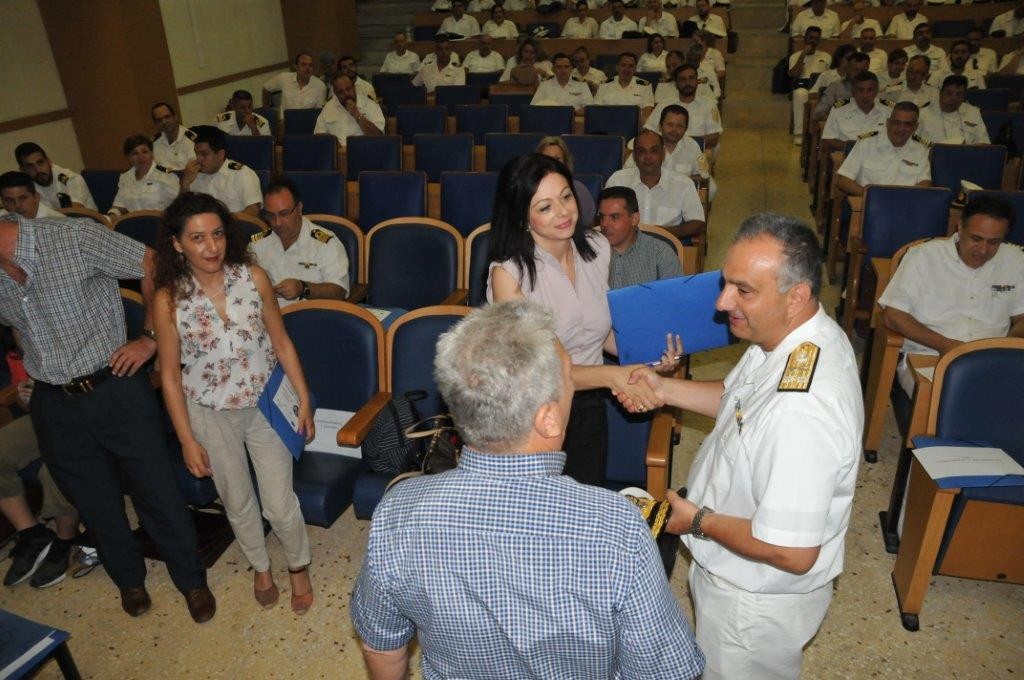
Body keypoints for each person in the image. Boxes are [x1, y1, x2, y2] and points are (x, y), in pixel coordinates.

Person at [350, 300, 705, 680]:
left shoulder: (399, 512)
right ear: (548, 419)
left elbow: (380, 644)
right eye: (569, 380)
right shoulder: (618, 528)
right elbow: (664, 670)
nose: (573, 386)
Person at [623, 213, 863, 680]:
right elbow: (740, 401)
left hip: (751, 603)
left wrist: (697, 521)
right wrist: (663, 389)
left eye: (743, 290)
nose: (722, 302)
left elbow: (792, 550)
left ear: (796, 296)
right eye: (726, 283)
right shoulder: (788, 339)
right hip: (736, 573)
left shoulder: (803, 411)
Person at [0, 211, 214, 622]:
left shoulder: (73, 237)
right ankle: (128, 580)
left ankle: (191, 580)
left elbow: (154, 264)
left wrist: (149, 338)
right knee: (94, 502)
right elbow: (17, 325)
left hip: (114, 385)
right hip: (54, 402)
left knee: (156, 491)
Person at [152, 192, 315, 615]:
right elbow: (169, 375)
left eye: (218, 234)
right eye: (198, 238)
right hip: (209, 413)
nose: (212, 247)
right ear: (177, 244)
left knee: (278, 502)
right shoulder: (168, 298)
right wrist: (187, 440)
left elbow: (281, 342)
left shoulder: (253, 277)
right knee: (237, 500)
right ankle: (260, 566)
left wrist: (303, 398)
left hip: (265, 405)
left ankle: (298, 565)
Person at [487, 154, 673, 486]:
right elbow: (547, 369)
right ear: (522, 216)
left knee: (586, 497)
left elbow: (596, 331)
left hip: (589, 403)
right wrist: (615, 376)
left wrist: (650, 355)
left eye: (566, 197)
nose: (563, 212)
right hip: (532, 412)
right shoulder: (509, 274)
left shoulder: (597, 248)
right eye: (545, 207)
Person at [879, 194, 1024, 396]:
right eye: (976, 239)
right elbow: (893, 315)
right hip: (931, 356)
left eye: (994, 242)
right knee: (964, 398)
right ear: (960, 228)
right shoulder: (924, 256)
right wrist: (946, 345)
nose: (983, 250)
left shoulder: (1015, 260)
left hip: (993, 359)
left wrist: (1007, 347)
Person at [0, 379, 80, 589]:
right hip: (47, 413)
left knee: (54, 468)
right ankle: (31, 534)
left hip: (88, 414)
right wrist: (27, 397)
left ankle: (67, 539)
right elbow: (25, 401)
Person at [249, 178, 349, 306]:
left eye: (284, 214)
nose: (277, 223)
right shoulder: (258, 243)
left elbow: (339, 291)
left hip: (311, 314)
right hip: (269, 314)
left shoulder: (325, 243)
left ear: (299, 208)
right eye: (271, 216)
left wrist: (304, 288)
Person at [608, 130, 706, 240]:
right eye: (641, 151)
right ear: (634, 156)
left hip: (665, 245)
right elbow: (602, 217)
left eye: (654, 151)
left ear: (663, 154)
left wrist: (661, 233)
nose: (648, 157)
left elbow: (698, 224)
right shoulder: (617, 180)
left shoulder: (683, 184)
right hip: (623, 245)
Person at [835, 102, 931, 196]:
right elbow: (844, 180)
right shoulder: (866, 144)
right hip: (868, 202)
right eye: (896, 123)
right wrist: (871, 197)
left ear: (915, 127)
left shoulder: (921, 151)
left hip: (904, 203)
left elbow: (924, 183)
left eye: (907, 124)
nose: (901, 128)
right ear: (888, 123)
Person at [599, 186, 682, 288]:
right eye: (602, 217)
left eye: (614, 217)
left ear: (634, 219)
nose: (605, 224)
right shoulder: (590, 251)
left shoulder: (661, 253)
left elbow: (673, 295)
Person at [627, 104, 715, 200]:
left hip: (679, 197)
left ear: (685, 129)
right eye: (670, 124)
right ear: (660, 126)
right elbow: (627, 172)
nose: (674, 130)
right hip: (645, 194)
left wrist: (679, 182)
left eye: (680, 126)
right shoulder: (645, 143)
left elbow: (704, 175)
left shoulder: (692, 146)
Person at [179, 126, 263, 216]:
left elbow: (253, 211)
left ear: (221, 154)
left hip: (234, 224)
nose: (198, 159)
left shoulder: (242, 174)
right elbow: (181, 212)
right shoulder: (193, 175)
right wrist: (185, 184)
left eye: (204, 154)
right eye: (196, 154)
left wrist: (224, 222)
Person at [645, 64, 723, 154]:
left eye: (691, 78)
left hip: (697, 152)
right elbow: (649, 131)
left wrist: (684, 145)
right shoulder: (664, 104)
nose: (687, 82)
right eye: (682, 79)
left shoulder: (709, 104)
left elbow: (714, 138)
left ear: (697, 81)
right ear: (676, 83)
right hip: (666, 152)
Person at [108, 135, 180, 217]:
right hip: (133, 222)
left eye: (145, 152)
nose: (141, 157)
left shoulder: (166, 176)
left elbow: (179, 206)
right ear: (128, 158)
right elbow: (119, 205)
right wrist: (111, 216)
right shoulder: (125, 178)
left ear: (152, 154)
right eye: (135, 153)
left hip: (160, 222)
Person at [821, 71, 892, 153]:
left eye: (870, 90)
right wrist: (852, 147)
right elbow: (827, 139)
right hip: (848, 156)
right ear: (853, 91)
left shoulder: (889, 109)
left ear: (876, 91)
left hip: (881, 155)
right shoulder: (839, 109)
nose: (865, 95)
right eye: (860, 90)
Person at [14, 143, 96, 211]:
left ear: (49, 161)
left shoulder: (70, 178)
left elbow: (75, 211)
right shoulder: (27, 188)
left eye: (40, 163)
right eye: (30, 167)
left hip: (88, 223)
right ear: (22, 170)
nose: (38, 170)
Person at [536, 136, 596, 225]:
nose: (552, 163)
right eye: (547, 159)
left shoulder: (579, 189)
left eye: (557, 159)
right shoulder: (532, 189)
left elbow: (589, 226)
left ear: (565, 161)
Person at [313, 73, 385, 147]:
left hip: (364, 151)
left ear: (354, 88)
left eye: (348, 89)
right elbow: (318, 137)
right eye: (341, 92)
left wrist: (357, 114)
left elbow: (379, 138)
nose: (346, 94)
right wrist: (332, 142)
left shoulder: (370, 106)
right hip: (337, 152)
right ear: (336, 94)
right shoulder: (328, 108)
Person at [789, 27, 832, 144]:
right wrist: (803, 54)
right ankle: (799, 133)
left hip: (821, 88)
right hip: (803, 86)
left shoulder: (826, 56)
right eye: (811, 37)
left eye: (816, 38)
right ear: (805, 38)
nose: (813, 41)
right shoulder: (795, 56)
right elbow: (794, 75)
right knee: (799, 94)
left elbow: (831, 75)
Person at [917, 76, 989, 145]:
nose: (953, 98)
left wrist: (968, 149)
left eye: (959, 94)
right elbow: (916, 139)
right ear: (941, 93)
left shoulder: (973, 112)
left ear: (964, 96)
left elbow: (983, 141)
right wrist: (934, 147)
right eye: (949, 93)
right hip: (932, 152)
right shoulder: (923, 114)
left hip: (967, 152)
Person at [812, 52, 871, 122]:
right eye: (856, 70)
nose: (859, 74)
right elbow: (818, 113)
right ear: (848, 69)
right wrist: (838, 122)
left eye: (863, 71)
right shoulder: (836, 87)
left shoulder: (875, 87)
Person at [262, 52, 328, 114]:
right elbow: (266, 88)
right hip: (285, 121)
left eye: (310, 65)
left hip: (307, 121)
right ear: (296, 66)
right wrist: (266, 112)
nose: (307, 68)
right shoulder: (284, 78)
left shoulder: (320, 86)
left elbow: (319, 113)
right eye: (303, 64)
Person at [151, 102, 197, 171]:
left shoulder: (192, 140)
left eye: (167, 117)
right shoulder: (154, 143)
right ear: (156, 123)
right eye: (159, 120)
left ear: (175, 116)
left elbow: (194, 169)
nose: (164, 122)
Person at [0, 172, 65, 219]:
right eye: (10, 200)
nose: (17, 206)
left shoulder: (59, 222)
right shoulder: (2, 218)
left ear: (36, 197)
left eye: (23, 198)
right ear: (3, 202)